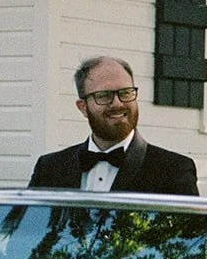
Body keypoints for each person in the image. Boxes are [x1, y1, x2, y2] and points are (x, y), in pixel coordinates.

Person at [28, 56, 198, 194]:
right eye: (104, 95)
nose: (117, 103)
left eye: (125, 93)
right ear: (83, 107)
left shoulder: (174, 170)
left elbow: (188, 236)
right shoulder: (49, 168)